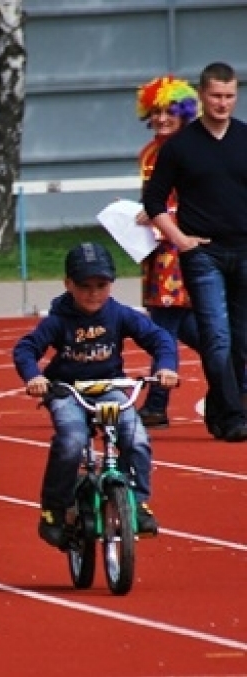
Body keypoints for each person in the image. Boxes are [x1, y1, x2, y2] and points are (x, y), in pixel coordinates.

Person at [13, 242, 178, 547]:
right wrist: (34, 377)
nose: (93, 293)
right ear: (68, 285)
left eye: (101, 285)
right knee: (72, 441)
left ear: (111, 284)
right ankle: (54, 509)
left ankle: (138, 503)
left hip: (110, 387)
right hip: (67, 390)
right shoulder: (58, 320)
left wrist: (166, 367)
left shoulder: (119, 314)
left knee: (135, 438)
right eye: (84, 286)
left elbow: (159, 338)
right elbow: (26, 348)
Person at [143, 62, 247, 442]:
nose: (223, 103)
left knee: (240, 338)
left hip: (244, 249)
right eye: (216, 96)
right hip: (203, 253)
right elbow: (153, 199)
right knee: (215, 335)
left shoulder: (244, 138)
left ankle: (221, 410)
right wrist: (180, 238)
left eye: (230, 96)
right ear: (202, 96)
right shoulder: (181, 147)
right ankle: (234, 415)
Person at [133, 75, 201, 428]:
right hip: (155, 255)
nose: (161, 118)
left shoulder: (190, 148)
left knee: (163, 331)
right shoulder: (148, 152)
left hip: (178, 252)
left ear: (184, 113)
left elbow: (199, 198)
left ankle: (157, 403)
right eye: (156, 111)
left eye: (170, 111)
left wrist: (165, 216)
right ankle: (240, 379)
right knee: (191, 329)